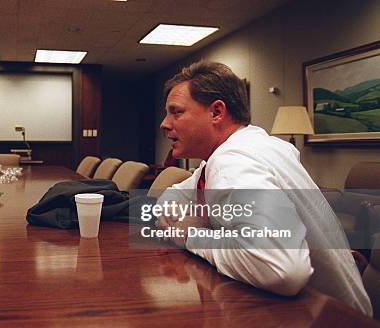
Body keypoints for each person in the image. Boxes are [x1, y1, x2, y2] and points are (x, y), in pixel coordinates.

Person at [156, 61, 372, 316]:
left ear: (216, 112)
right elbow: (173, 195)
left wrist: (191, 236)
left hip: (333, 319)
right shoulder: (237, 153)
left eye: (176, 112)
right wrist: (175, 213)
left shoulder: (235, 162)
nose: (164, 123)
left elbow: (282, 269)